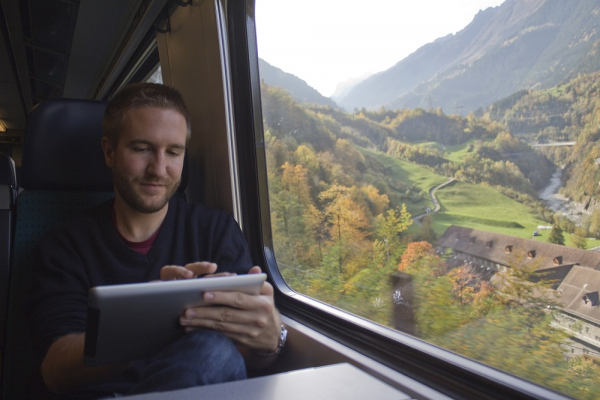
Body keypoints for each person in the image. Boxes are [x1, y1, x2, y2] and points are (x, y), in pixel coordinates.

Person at [27, 83, 284, 399]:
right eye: (141, 149)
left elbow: (238, 358)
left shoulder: (215, 230)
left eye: (173, 152)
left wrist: (271, 341)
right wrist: (158, 324)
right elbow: (55, 371)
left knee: (214, 351)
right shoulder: (65, 245)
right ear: (109, 152)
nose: (158, 169)